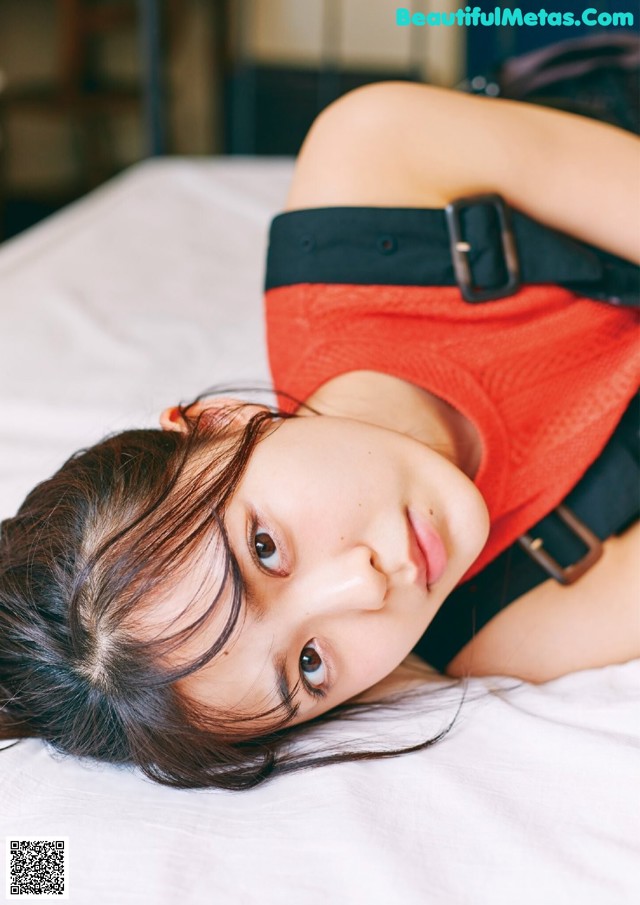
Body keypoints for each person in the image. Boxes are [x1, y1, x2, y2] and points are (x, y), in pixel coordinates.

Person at [0, 83, 638, 791]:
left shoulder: (372, 174)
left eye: (264, 548)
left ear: (224, 419)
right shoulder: (506, 628)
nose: (363, 586)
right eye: (309, 664)